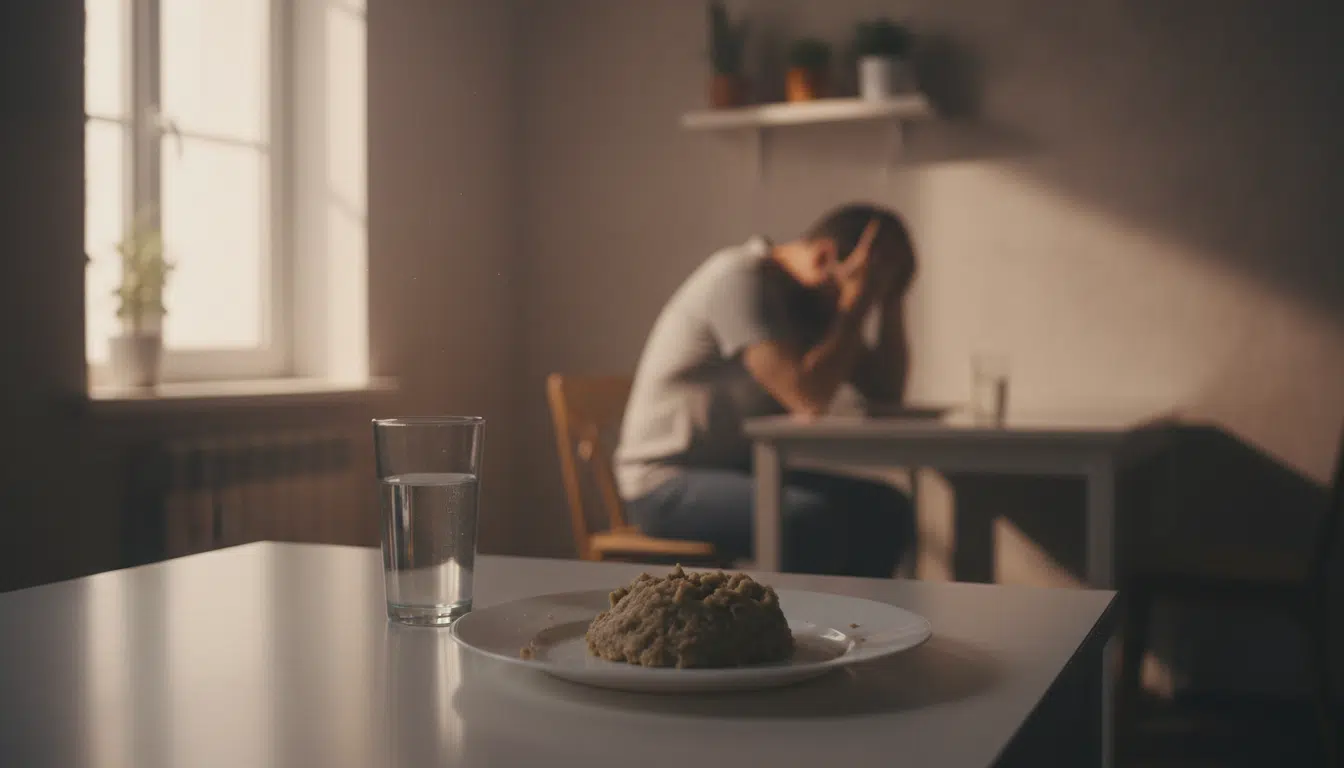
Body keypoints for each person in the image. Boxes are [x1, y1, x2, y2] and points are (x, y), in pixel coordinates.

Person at [614, 203, 918, 577]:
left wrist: (890, 302)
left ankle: (863, 631)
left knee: (888, 510)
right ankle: (797, 632)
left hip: (740, 473)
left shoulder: (807, 304)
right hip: (663, 483)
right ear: (824, 256)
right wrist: (857, 304)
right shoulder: (740, 278)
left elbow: (886, 392)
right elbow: (806, 397)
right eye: (869, 281)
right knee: (805, 521)